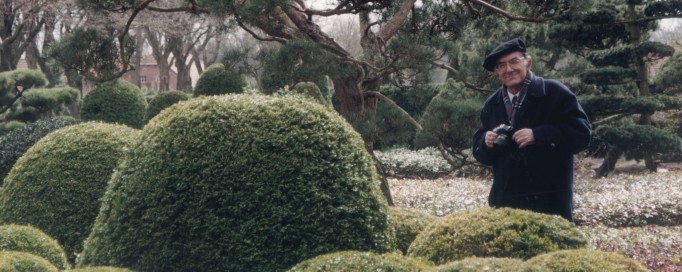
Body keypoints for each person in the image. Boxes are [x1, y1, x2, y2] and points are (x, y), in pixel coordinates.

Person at [472, 38, 592, 221]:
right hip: (506, 201)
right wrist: (485, 142)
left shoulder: (554, 92)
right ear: (497, 72)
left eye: (514, 61)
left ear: (528, 62)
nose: (509, 69)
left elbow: (582, 133)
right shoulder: (492, 104)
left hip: (550, 201)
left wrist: (539, 135)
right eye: (501, 66)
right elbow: (482, 153)